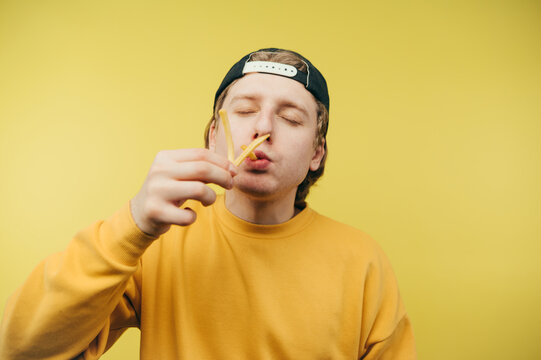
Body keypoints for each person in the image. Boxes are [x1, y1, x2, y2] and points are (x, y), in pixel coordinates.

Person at [0, 48, 416, 359]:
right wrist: (131, 225)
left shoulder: (363, 262)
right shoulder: (157, 241)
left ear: (316, 154)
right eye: (245, 110)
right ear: (214, 136)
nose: (263, 127)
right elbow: (21, 348)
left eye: (290, 118)